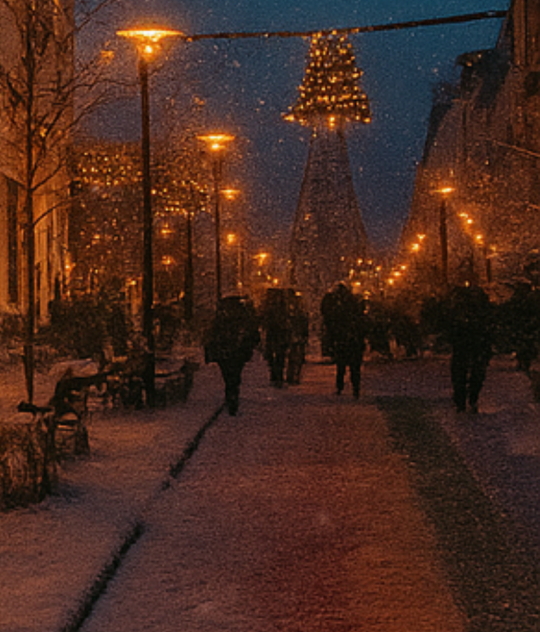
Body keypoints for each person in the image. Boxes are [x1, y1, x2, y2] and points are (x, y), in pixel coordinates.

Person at [204, 296, 260, 415]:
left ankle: (231, 394)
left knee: (228, 374)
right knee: (234, 374)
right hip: (237, 352)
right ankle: (232, 394)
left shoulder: (221, 318)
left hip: (224, 352)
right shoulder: (243, 318)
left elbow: (212, 335)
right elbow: (253, 334)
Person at [447, 283, 493, 414]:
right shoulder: (483, 309)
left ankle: (462, 400)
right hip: (477, 343)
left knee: (461, 372)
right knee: (475, 373)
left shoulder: (460, 308)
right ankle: (470, 399)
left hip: (466, 343)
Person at [321, 283, 370, 398]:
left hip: (343, 340)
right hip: (354, 341)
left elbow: (329, 318)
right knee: (355, 367)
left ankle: (340, 387)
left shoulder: (338, 309)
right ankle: (355, 388)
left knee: (341, 365)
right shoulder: (354, 309)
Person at [260, 288, 292, 387]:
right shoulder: (280, 307)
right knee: (277, 355)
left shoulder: (275, 307)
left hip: (277, 333)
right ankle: (277, 375)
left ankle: (277, 376)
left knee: (278, 355)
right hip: (277, 332)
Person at [285, 290, 309, 385]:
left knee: (294, 357)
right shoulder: (298, 310)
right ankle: (294, 375)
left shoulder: (289, 309)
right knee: (295, 357)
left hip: (295, 334)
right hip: (296, 334)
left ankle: (292, 375)